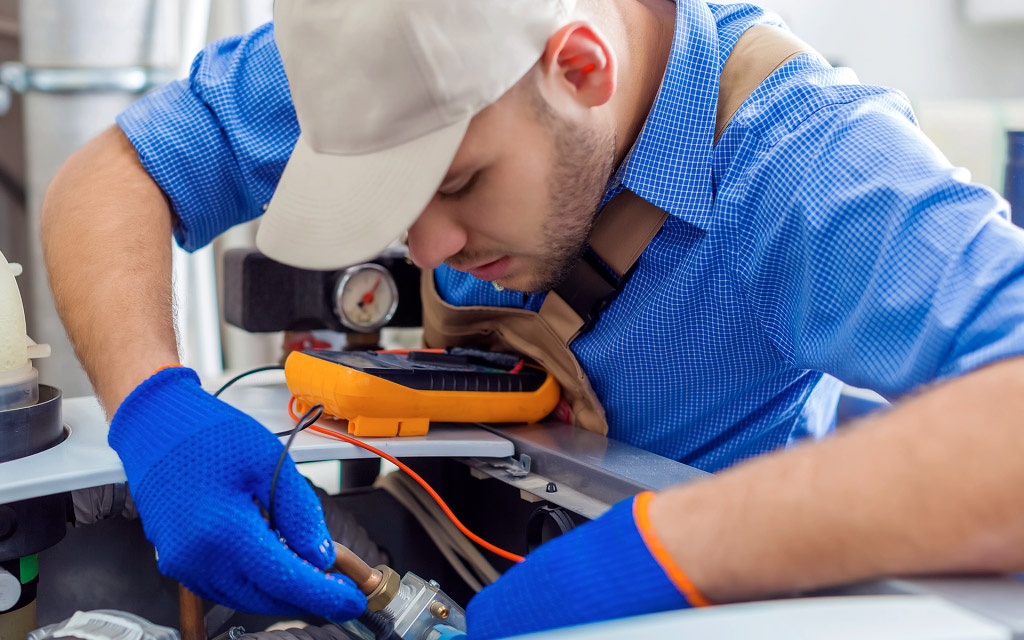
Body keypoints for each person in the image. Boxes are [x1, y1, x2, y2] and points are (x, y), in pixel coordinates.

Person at [41, 0, 1024, 638]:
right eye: (398, 197)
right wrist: (156, 410)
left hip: (702, 599)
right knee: (98, 576)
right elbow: (111, 174)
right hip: (457, 537)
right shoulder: (387, 55)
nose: (424, 249)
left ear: (582, 67)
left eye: (460, 181)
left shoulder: (810, 162)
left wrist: (671, 546)